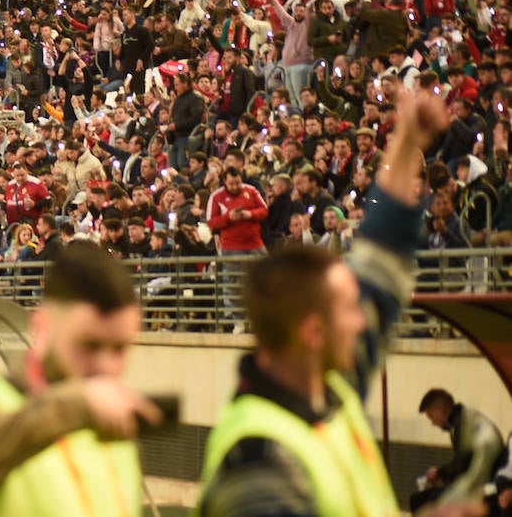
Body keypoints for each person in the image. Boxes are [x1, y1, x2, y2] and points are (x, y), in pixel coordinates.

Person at [198, 89, 483, 517]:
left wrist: (407, 142)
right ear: (312, 332)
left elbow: (380, 262)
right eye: (349, 309)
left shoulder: (328, 385)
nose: (361, 319)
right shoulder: (256, 466)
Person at [0, 244, 161, 517]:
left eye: (119, 348)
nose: (106, 365)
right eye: (88, 345)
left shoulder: (113, 426)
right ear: (41, 326)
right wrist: (74, 405)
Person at [413, 388, 505, 511]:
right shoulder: (463, 419)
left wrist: (439, 473)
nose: (432, 423)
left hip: (485, 484)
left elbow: (462, 465)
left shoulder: (463, 424)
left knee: (422, 501)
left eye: (431, 416)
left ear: (444, 411)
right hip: (486, 479)